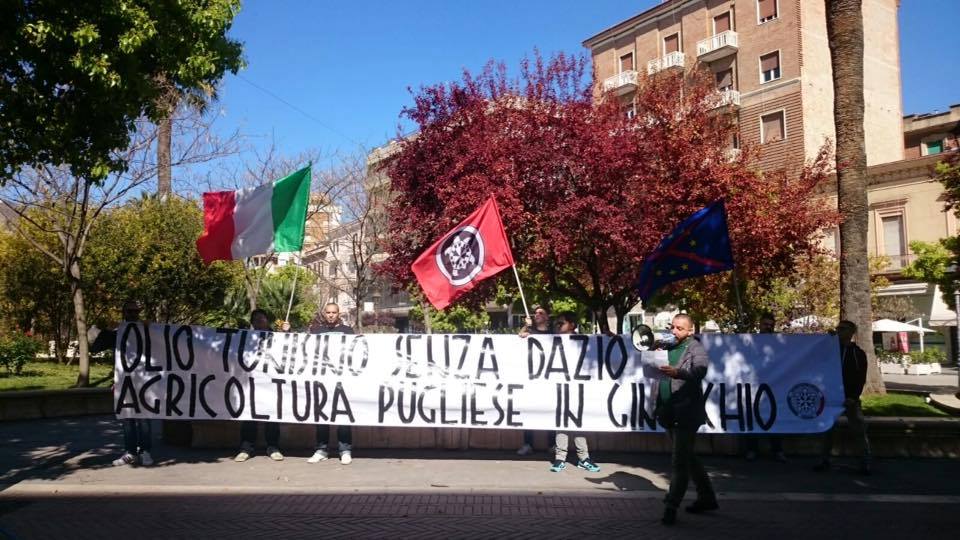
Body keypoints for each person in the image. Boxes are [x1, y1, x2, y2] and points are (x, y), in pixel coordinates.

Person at [653, 313, 718, 526]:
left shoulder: (695, 348)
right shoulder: (668, 346)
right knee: (687, 456)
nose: (674, 331)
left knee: (679, 462)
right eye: (673, 327)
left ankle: (671, 505)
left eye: (680, 328)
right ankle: (706, 497)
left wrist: (678, 372)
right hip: (668, 411)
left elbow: (700, 370)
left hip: (685, 412)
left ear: (690, 330)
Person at [90, 300, 154, 467]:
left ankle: (145, 451)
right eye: (130, 311)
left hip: (145, 380)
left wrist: (152, 328)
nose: (133, 314)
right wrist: (107, 330)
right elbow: (95, 347)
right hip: (124, 381)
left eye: (136, 311)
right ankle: (130, 453)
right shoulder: (118, 332)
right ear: (124, 312)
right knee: (127, 419)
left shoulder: (148, 330)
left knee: (145, 419)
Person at [814, 320, 871, 475]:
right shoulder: (831, 350)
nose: (838, 330)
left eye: (842, 328)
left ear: (851, 332)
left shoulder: (857, 353)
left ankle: (865, 461)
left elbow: (860, 377)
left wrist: (853, 396)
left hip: (850, 398)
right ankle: (823, 459)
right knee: (827, 430)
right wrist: (827, 339)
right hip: (831, 397)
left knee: (858, 429)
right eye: (837, 328)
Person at [549, 311, 600, 473]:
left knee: (578, 423)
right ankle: (559, 459)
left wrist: (608, 336)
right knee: (561, 423)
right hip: (559, 387)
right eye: (556, 323)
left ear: (572, 325)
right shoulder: (550, 341)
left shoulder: (585, 341)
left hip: (578, 388)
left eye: (561, 322)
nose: (557, 325)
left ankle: (583, 458)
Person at [307, 303, 356, 465]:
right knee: (322, 416)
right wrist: (286, 333)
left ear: (338, 313)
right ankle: (321, 449)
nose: (330, 315)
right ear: (324, 313)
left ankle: (345, 450)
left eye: (333, 312)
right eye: (328, 312)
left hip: (342, 381)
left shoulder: (348, 332)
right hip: (322, 380)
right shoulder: (315, 331)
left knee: (343, 416)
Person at [234, 309, 284, 462]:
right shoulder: (245, 338)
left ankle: (273, 447)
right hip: (251, 382)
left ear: (267, 321)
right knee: (249, 414)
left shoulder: (279, 337)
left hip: (271, 383)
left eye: (262, 318)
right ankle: (246, 448)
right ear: (252, 322)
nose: (260, 321)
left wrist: (288, 332)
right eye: (256, 319)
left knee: (272, 415)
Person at [745, 313, 786, 463]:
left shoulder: (779, 341)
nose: (768, 327)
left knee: (775, 418)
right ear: (760, 325)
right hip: (754, 384)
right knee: (752, 416)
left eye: (770, 325)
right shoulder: (751, 341)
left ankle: (777, 450)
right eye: (765, 324)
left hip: (775, 385)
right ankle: (751, 449)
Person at [517, 304, 552, 456]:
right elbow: (520, 335)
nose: (536, 315)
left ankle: (552, 444)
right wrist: (526, 327)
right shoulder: (530, 332)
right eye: (535, 313)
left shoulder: (553, 333)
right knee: (528, 412)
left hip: (549, 379)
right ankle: (528, 444)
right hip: (531, 379)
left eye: (540, 313)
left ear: (547, 317)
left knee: (550, 412)